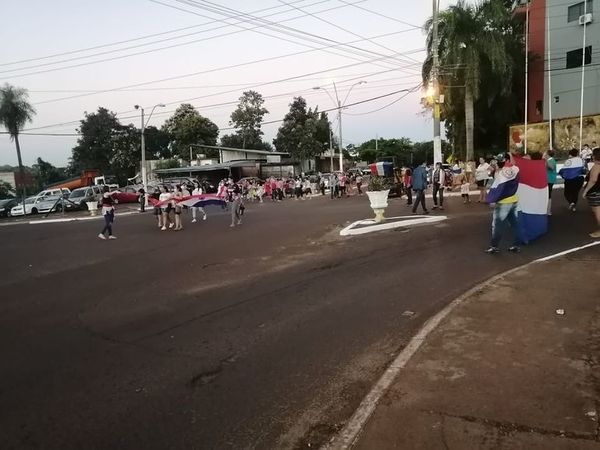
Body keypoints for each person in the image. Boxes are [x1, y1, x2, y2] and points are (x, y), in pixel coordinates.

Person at [485, 153, 521, 254]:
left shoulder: (501, 174)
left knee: (497, 226)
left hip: (503, 203)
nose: (498, 162)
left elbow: (498, 189)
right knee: (515, 224)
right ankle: (516, 245)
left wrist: (492, 199)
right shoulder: (516, 169)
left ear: (506, 160)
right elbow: (513, 163)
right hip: (513, 200)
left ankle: (494, 246)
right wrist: (510, 155)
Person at [582, 147, 600, 238]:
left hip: (595, 192)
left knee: (597, 212)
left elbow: (592, 181)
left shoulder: (596, 166)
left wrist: (585, 191)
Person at [543, 149, 557, 216]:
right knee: (547, 195)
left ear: (547, 154)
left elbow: (551, 167)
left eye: (545, 153)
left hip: (550, 180)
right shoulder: (548, 160)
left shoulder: (551, 160)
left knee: (548, 195)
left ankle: (548, 211)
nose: (544, 154)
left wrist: (545, 161)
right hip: (547, 179)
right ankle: (546, 210)